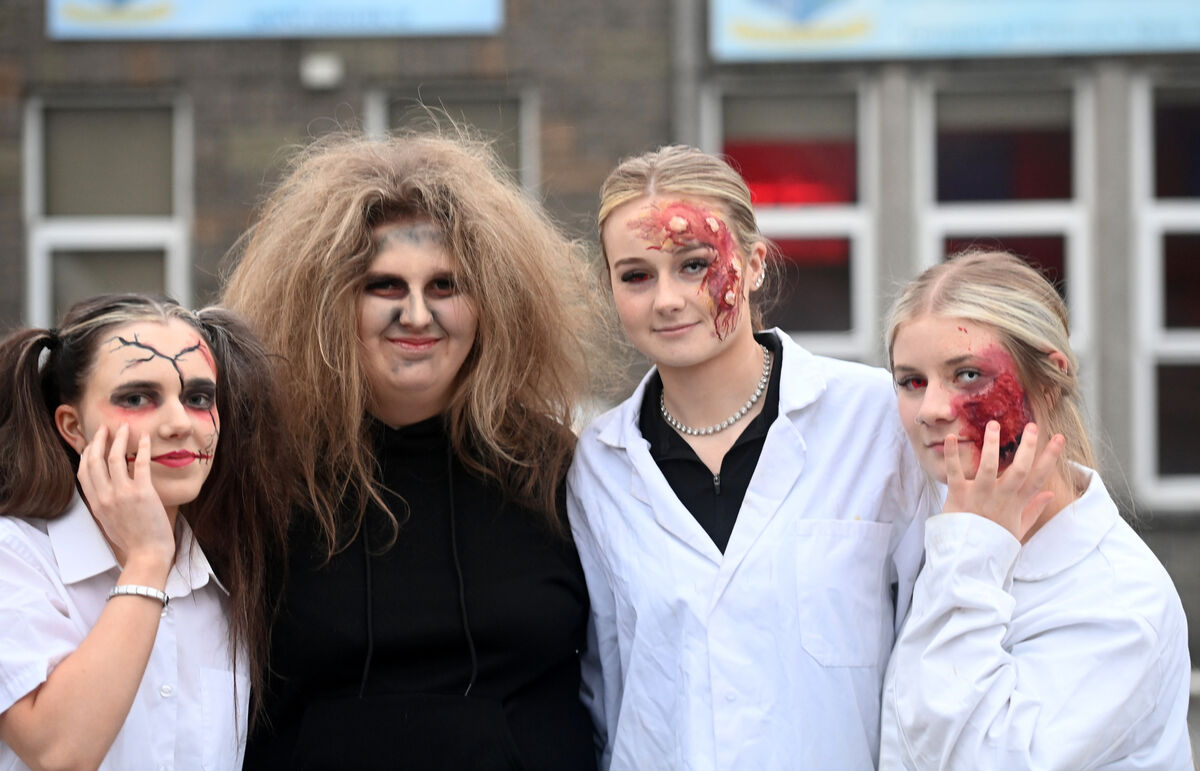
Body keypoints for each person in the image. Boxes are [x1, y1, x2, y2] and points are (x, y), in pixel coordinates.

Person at [221, 130, 606, 770]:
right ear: (327, 302)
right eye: (385, 286)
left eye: (446, 286)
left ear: (492, 303)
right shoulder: (266, 475)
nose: (419, 315)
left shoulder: (553, 470)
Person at [566, 144, 937, 769]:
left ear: (756, 264)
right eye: (636, 275)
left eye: (694, 264)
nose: (667, 299)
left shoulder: (876, 419)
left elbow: (936, 646)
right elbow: (607, 688)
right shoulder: (598, 466)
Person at [880, 250, 1194, 769]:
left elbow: (978, 760)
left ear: (1049, 382)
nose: (932, 409)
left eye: (967, 375)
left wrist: (972, 550)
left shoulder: (1121, 600)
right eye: (912, 381)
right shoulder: (931, 526)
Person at [0, 293, 291, 770]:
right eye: (137, 397)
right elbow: (59, 753)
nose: (179, 424)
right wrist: (147, 560)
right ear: (73, 427)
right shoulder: (15, 559)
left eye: (198, 398)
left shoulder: (227, 580)